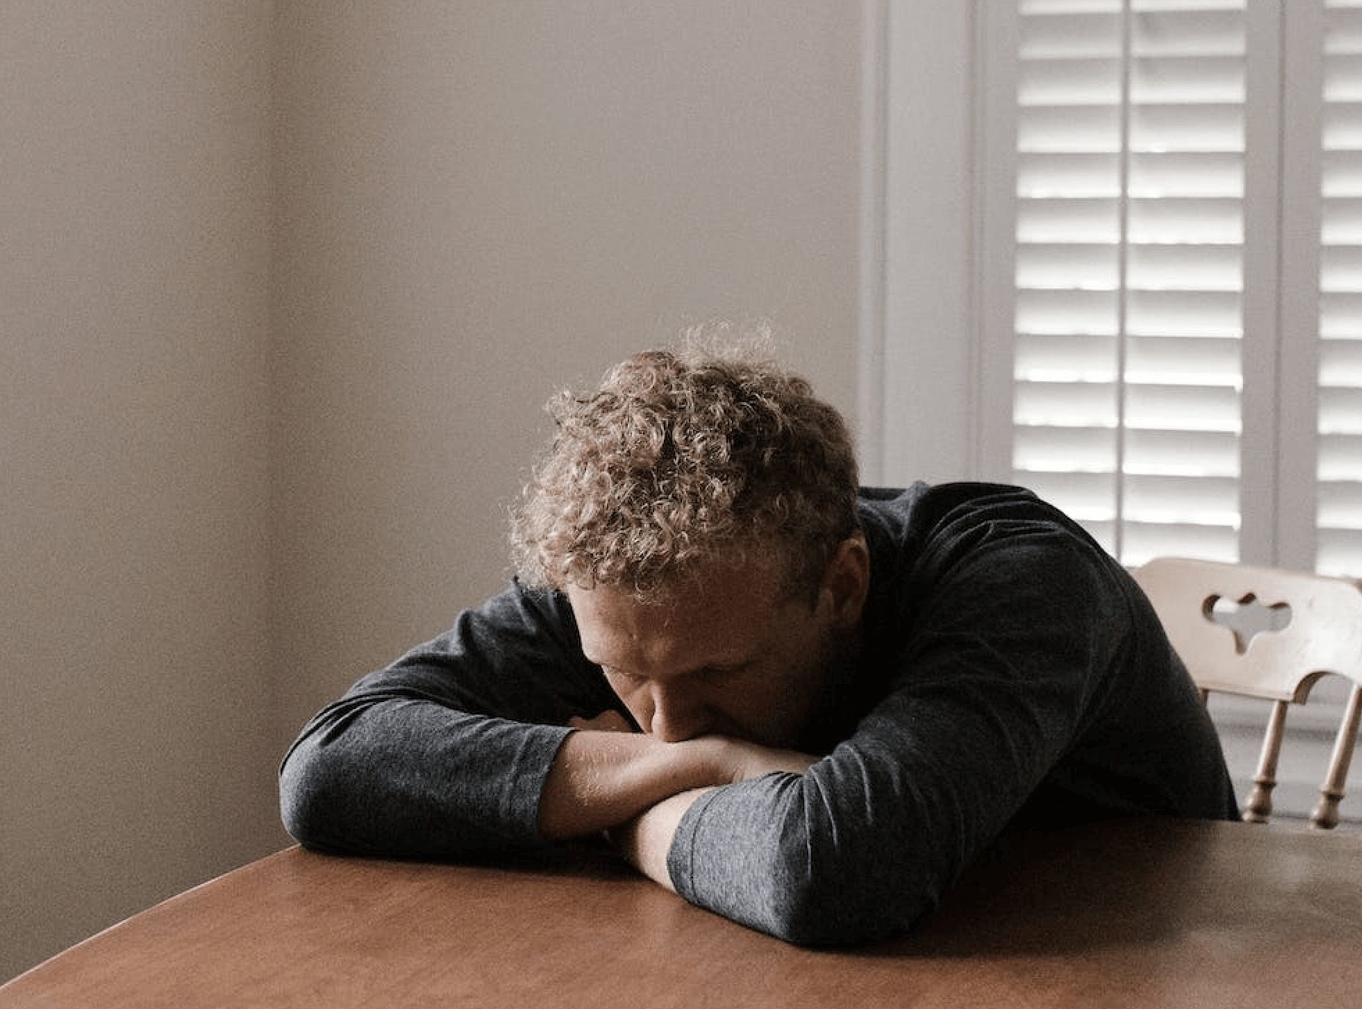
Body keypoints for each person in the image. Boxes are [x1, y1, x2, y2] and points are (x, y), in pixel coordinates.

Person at [279, 335, 1238, 946]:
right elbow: (330, 770)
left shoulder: (1020, 579)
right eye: (625, 676)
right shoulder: (629, 586)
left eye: (719, 676)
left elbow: (834, 869)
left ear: (843, 583)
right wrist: (716, 766)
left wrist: (618, 813)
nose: (667, 725)